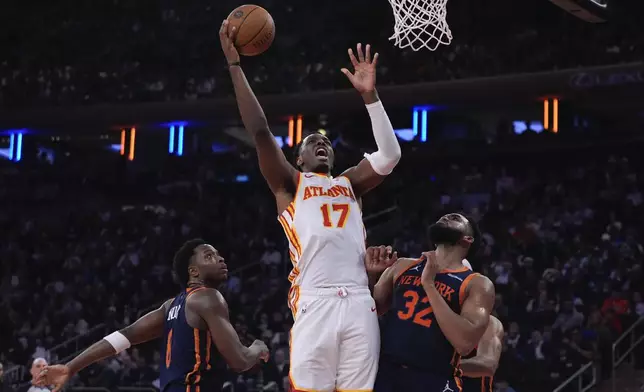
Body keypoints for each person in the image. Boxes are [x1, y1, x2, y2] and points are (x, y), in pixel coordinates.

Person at [219, 18, 401, 392]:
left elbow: (390, 154)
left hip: (358, 301)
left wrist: (370, 97)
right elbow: (259, 131)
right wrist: (235, 66)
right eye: (311, 142)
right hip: (314, 300)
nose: (321, 143)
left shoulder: (350, 183)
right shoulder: (290, 184)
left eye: (326, 142)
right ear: (298, 158)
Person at [36, 239, 269, 392]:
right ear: (193, 271)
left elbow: (122, 337)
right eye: (209, 256)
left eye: (219, 255)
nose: (220, 259)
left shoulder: (170, 307)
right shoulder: (209, 297)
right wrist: (258, 347)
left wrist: (71, 367)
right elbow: (240, 360)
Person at [367, 213, 496, 392]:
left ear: (468, 239)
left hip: (433, 378)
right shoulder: (402, 265)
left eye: (455, 218)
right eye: (443, 217)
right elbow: (373, 311)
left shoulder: (477, 284)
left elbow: (464, 343)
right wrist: (371, 275)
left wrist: (429, 285)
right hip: (385, 371)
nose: (446, 217)